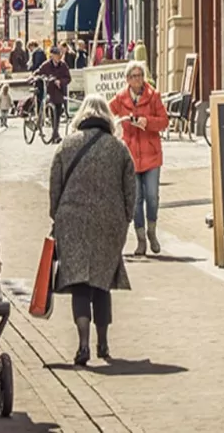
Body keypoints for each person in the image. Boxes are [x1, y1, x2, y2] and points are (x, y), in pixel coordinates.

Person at [49, 94, 136, 365]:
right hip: (109, 222)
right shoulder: (118, 148)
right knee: (101, 283)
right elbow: (130, 189)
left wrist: (57, 215)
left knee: (80, 285)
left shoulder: (66, 145)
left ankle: (83, 344)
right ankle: (104, 344)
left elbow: (55, 185)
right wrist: (126, 218)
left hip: (72, 220)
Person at [110, 62, 168, 256]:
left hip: (151, 155)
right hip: (130, 156)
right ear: (127, 79)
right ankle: (141, 239)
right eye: (133, 76)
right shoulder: (120, 98)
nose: (137, 79)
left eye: (140, 75)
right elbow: (107, 113)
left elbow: (164, 121)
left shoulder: (153, 96)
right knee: (135, 200)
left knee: (152, 197)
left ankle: (152, 232)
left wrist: (148, 122)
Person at [36, 45, 73, 143]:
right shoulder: (46, 65)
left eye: (59, 55)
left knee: (58, 113)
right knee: (53, 114)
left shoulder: (63, 65)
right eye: (56, 55)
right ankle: (55, 135)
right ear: (52, 56)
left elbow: (68, 78)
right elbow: (38, 72)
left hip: (60, 93)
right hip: (50, 93)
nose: (58, 57)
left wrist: (60, 81)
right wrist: (35, 78)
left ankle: (55, 134)